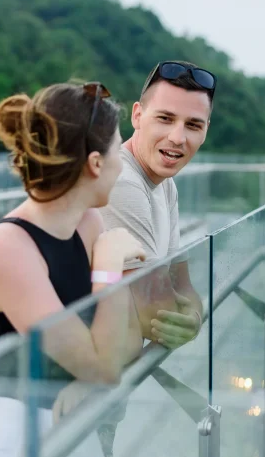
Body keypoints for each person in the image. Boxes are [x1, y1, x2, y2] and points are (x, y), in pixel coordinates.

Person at [0, 81, 147, 457]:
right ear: (95, 164)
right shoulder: (6, 247)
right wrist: (108, 267)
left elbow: (128, 341)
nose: (122, 167)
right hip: (17, 440)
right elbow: (105, 366)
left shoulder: (88, 222)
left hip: (75, 430)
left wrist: (87, 381)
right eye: (118, 152)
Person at [95, 60, 216, 454]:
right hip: (76, 387)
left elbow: (182, 285)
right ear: (137, 115)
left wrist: (194, 317)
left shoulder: (165, 187)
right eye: (165, 118)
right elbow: (156, 314)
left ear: (205, 132)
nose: (178, 138)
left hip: (108, 382)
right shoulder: (124, 183)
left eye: (193, 125)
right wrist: (189, 316)